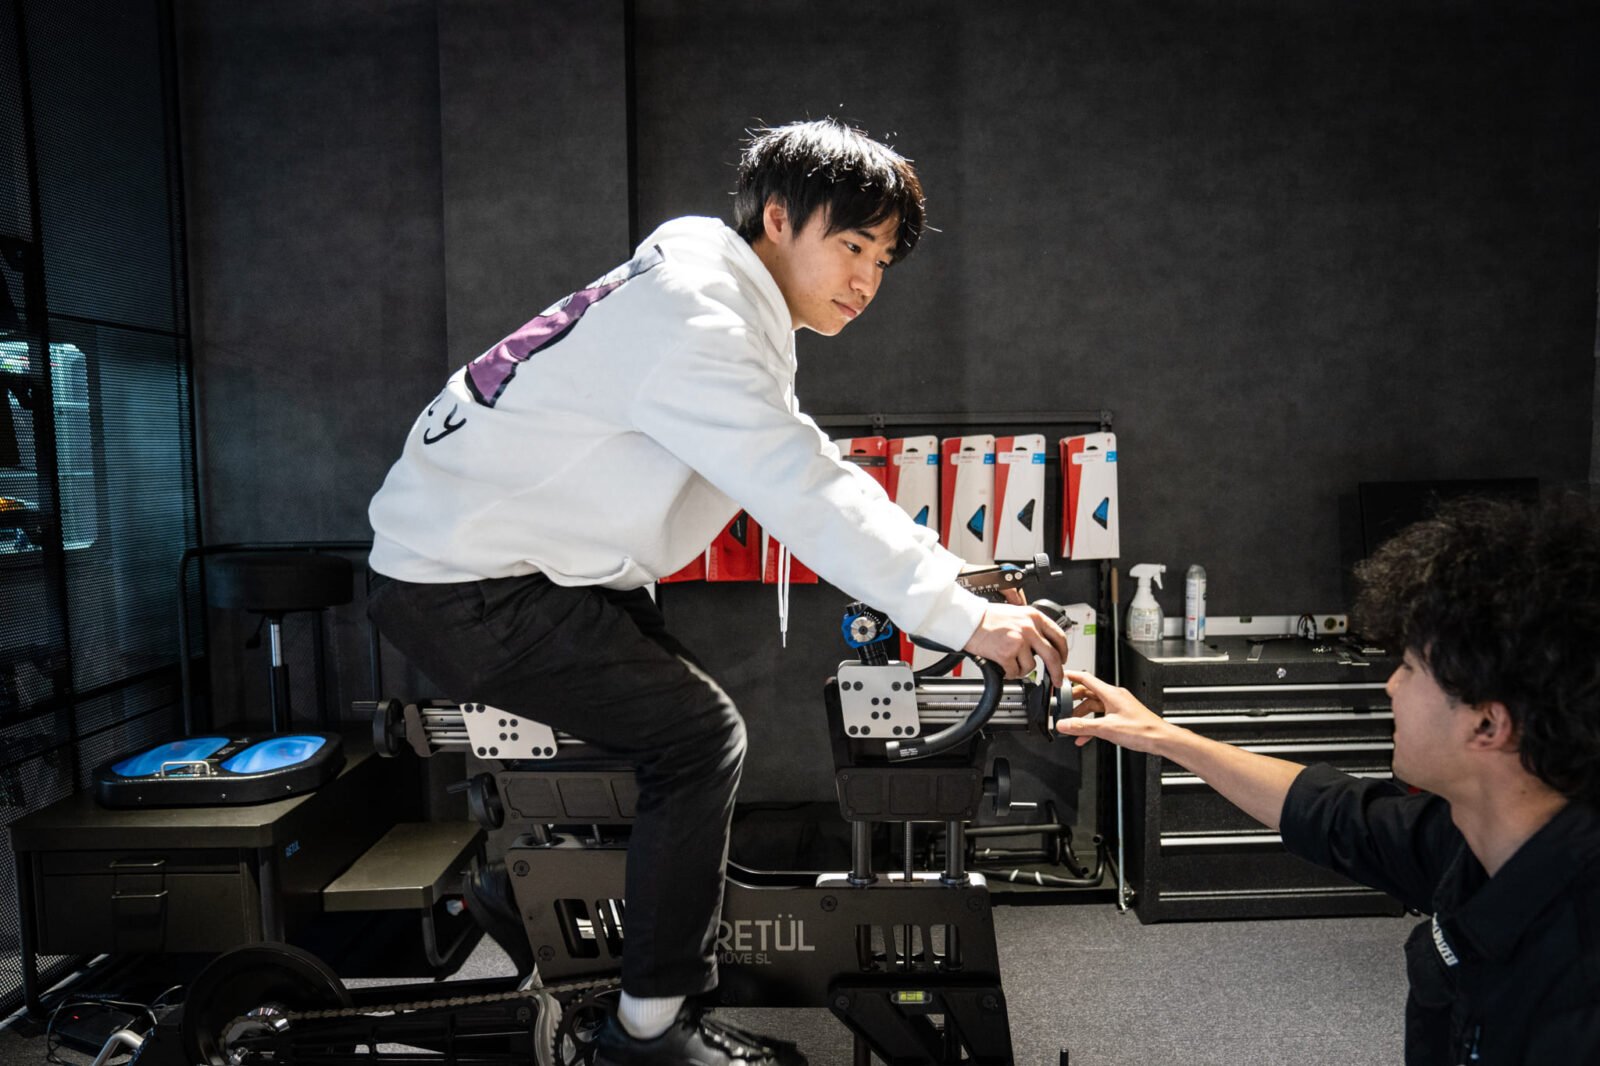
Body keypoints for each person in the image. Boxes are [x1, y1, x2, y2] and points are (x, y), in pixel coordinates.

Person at [365, 118, 1069, 1066]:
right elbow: (805, 492)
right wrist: (964, 618)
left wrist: (952, 581)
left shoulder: (703, 292)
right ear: (777, 218)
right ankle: (649, 1030)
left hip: (522, 563)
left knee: (667, 741)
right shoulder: (702, 324)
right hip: (466, 581)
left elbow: (810, 468)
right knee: (698, 739)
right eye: (851, 245)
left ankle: (529, 907)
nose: (866, 280)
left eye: (882, 260)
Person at [1057, 496, 1600, 1065]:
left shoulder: (1576, 986)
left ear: (1487, 724)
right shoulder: (1470, 839)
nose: (1391, 686)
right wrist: (1162, 736)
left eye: (1410, 668)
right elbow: (1328, 810)